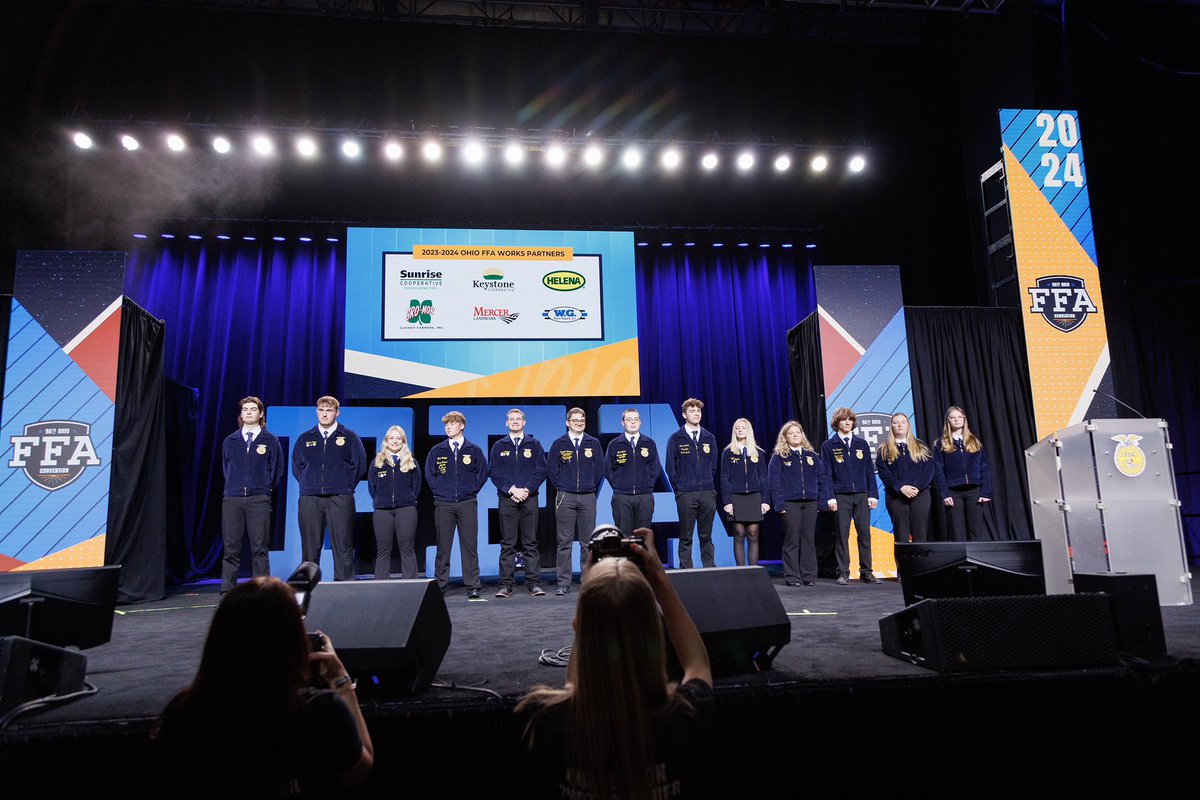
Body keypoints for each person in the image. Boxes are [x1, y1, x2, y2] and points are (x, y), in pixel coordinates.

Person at [517, 528, 713, 799]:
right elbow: (697, 663)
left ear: (580, 627)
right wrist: (658, 578)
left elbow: (573, 684)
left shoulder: (546, 721)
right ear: (656, 630)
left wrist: (590, 588)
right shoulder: (684, 715)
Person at [156, 577, 373, 799]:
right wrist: (342, 682)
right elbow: (358, 771)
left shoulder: (182, 713)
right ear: (293, 641)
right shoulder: (320, 710)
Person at [291, 396, 368, 581]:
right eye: (321, 410)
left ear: (337, 412)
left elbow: (360, 466)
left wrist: (344, 485)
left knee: (343, 546)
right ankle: (309, 590)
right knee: (310, 548)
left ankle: (344, 590)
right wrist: (309, 484)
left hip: (340, 497)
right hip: (310, 498)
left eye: (329, 410)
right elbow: (297, 467)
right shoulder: (305, 438)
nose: (325, 414)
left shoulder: (349, 437)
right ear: (317, 412)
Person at [220, 396, 284, 593]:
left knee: (259, 549)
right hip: (232, 499)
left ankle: (262, 594)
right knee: (231, 550)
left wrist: (262, 488)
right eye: (245, 409)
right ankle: (227, 593)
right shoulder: (230, 441)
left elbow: (277, 471)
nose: (248, 412)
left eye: (253, 409)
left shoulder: (270, 440)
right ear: (241, 414)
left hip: (259, 499)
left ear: (261, 413)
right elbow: (226, 468)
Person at [425, 410, 489, 600]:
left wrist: (471, 489)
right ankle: (441, 585)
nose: (448, 427)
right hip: (443, 504)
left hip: (467, 503)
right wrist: (440, 491)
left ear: (461, 426)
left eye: (452, 423)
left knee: (469, 546)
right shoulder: (437, 450)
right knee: (443, 547)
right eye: (446, 424)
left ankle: (473, 586)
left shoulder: (473, 450)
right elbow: (430, 474)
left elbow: (483, 472)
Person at [489, 408, 548, 598]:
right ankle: (506, 585)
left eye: (518, 419)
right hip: (507, 499)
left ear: (524, 422)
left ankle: (533, 584)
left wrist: (526, 490)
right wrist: (512, 489)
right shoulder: (499, 445)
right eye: (511, 419)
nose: (515, 422)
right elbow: (495, 472)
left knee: (530, 542)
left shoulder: (535, 444)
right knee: (508, 543)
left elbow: (541, 470)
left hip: (529, 498)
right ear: (506, 423)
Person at [546, 407, 604, 596]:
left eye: (581, 420)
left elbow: (599, 469)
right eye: (575, 420)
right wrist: (563, 486)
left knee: (588, 542)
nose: (579, 423)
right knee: (564, 542)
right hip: (565, 496)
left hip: (588, 496)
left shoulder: (593, 443)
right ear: (567, 422)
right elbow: (552, 470)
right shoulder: (559, 444)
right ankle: (563, 582)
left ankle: (588, 580)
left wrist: (588, 486)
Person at [821, 407, 880, 585]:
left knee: (864, 534)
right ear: (836, 423)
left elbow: (870, 471)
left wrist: (873, 495)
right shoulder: (828, 445)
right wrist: (830, 497)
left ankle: (866, 572)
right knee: (842, 535)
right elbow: (826, 474)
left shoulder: (862, 444)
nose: (847, 422)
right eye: (843, 419)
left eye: (850, 419)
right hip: (840, 496)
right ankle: (843, 572)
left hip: (862, 494)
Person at [768, 421, 829, 587]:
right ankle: (792, 577)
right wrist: (779, 504)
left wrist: (821, 503)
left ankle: (808, 576)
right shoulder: (779, 457)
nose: (795, 435)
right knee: (792, 540)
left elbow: (822, 479)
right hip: (789, 504)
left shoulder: (812, 456)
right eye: (791, 433)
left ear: (802, 435)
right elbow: (774, 482)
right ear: (785, 437)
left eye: (798, 432)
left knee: (808, 539)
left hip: (810, 503)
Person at [665, 398, 719, 569]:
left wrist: (706, 483)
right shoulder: (676, 439)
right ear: (684, 414)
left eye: (698, 411)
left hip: (707, 492)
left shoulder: (709, 437)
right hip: (686, 494)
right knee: (686, 535)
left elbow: (713, 465)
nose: (696, 414)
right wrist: (680, 488)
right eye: (692, 411)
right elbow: (670, 467)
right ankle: (686, 568)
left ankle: (709, 567)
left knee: (706, 535)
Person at [367, 425, 422, 580]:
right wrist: (380, 500)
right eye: (392, 438)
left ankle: (411, 586)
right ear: (386, 441)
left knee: (407, 548)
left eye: (399, 438)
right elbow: (372, 487)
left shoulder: (411, 463)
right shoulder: (377, 462)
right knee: (383, 549)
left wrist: (408, 499)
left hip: (406, 509)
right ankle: (381, 586)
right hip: (382, 511)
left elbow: (416, 486)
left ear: (403, 441)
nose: (395, 441)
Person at [933, 405, 993, 541]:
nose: (957, 420)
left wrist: (985, 492)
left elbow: (984, 467)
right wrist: (944, 494)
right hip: (953, 492)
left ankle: (975, 561)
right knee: (956, 531)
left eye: (960, 417)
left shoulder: (974, 442)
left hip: (974, 491)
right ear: (948, 421)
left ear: (964, 419)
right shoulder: (941, 444)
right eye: (953, 417)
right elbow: (939, 472)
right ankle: (959, 562)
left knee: (975, 530)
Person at [875, 412, 935, 544]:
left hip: (920, 495)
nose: (899, 425)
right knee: (901, 536)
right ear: (891, 426)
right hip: (896, 497)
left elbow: (929, 469)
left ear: (908, 424)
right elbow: (884, 473)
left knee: (920, 533)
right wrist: (900, 487)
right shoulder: (884, 449)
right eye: (896, 422)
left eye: (903, 422)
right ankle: (903, 565)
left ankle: (921, 564)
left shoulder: (921, 446)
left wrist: (917, 487)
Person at [719, 418, 771, 566]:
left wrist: (765, 500)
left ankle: (753, 571)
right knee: (739, 534)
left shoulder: (758, 453)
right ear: (734, 431)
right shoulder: (728, 452)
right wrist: (727, 502)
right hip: (736, 497)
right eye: (737, 428)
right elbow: (724, 478)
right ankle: (741, 572)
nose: (740, 430)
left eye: (743, 427)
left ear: (749, 430)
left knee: (753, 534)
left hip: (754, 497)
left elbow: (763, 477)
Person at [605, 408, 661, 535]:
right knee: (623, 536)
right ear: (622, 423)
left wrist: (647, 484)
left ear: (640, 422)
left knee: (642, 536)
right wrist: (619, 485)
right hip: (622, 497)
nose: (633, 422)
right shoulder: (614, 444)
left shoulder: (649, 443)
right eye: (629, 419)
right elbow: (608, 469)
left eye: (636, 419)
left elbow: (655, 468)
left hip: (644, 496)